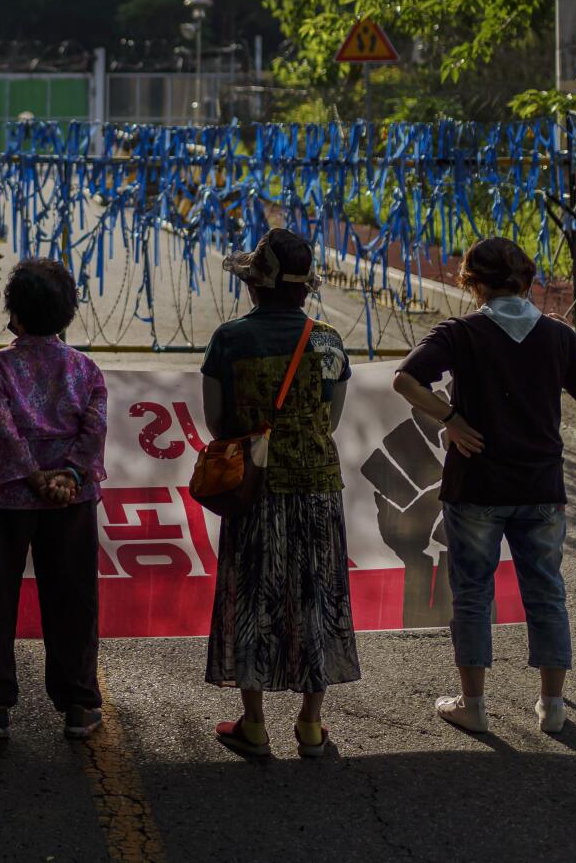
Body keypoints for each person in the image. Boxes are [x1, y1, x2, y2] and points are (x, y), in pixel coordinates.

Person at [393, 236, 576, 737]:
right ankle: (552, 704)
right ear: (527, 281)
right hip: (541, 485)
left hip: (476, 484)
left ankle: (473, 704)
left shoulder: (461, 332)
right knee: (547, 591)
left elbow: (406, 380)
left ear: (474, 282)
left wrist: (451, 418)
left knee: (472, 592)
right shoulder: (556, 335)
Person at [201, 229, 358, 759]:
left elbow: (217, 422)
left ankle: (254, 723)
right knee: (318, 599)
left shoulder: (230, 339)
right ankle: (312, 727)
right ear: (303, 290)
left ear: (255, 287)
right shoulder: (328, 340)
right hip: (316, 490)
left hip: (255, 489)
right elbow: (331, 420)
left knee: (253, 599)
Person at [0, 258, 109, 742]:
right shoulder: (87, 369)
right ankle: (79, 704)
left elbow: (3, 432)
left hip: (5, 497)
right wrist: (66, 475)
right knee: (73, 600)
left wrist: (33, 476)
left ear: (15, 313)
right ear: (68, 313)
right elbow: (94, 431)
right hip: (72, 497)